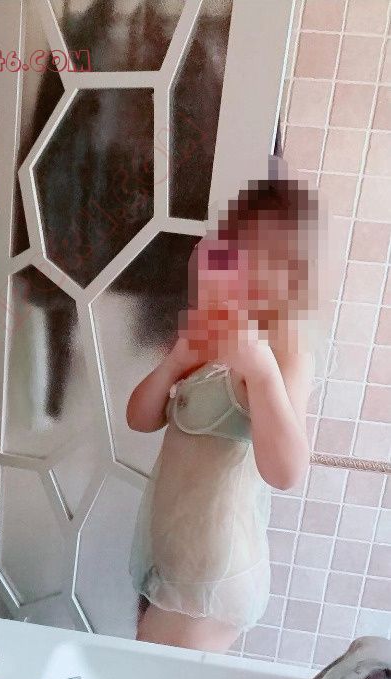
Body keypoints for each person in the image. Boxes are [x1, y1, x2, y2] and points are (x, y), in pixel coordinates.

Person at [128, 174, 320, 652]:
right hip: (170, 558)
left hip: (211, 577)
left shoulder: (285, 349)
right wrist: (176, 361)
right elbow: (140, 418)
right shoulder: (209, 333)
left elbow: (287, 472)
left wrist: (261, 370)